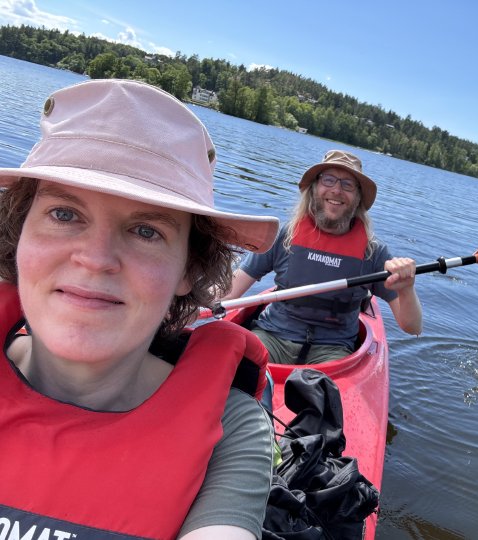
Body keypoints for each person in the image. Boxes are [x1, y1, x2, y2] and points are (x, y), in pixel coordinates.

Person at [0, 79, 281, 539]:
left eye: (146, 231)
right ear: (19, 234)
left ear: (188, 269)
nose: (95, 258)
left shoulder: (231, 430)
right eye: (65, 214)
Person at [224, 149, 423, 364]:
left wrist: (406, 288)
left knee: (322, 393)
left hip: (332, 350)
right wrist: (191, 300)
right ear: (315, 188)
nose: (336, 190)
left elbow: (412, 327)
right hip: (273, 337)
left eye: (348, 184)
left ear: (357, 198)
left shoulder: (373, 253)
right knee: (237, 367)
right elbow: (230, 292)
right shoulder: (285, 236)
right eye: (329, 180)